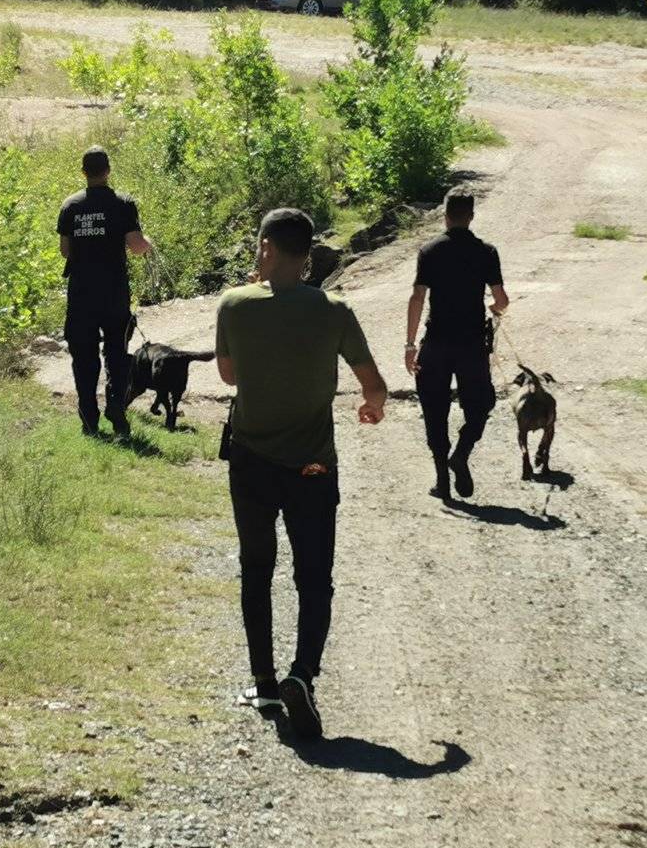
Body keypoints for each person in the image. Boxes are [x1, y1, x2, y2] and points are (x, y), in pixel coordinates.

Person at [216, 208, 388, 743]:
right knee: (314, 578)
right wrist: (372, 407)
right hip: (313, 465)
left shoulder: (235, 304)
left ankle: (264, 681)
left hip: (251, 459)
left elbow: (229, 375)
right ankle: (302, 675)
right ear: (308, 254)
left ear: (266, 248)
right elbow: (374, 386)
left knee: (257, 568)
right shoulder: (335, 310)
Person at [405, 189, 510, 499]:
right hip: (472, 344)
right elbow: (501, 300)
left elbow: (417, 297)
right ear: (471, 216)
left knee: (434, 408)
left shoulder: (429, 251)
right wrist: (494, 310)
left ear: (445, 215)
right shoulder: (487, 252)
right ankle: (462, 452)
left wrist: (410, 344)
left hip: (436, 342)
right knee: (481, 405)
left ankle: (442, 482)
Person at [57, 146, 153, 437]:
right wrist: (147, 242)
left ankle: (89, 419)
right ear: (108, 171)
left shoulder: (70, 205)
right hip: (113, 292)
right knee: (116, 352)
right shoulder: (122, 203)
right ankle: (117, 411)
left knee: (84, 357)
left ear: (83, 172)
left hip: (82, 293)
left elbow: (65, 251)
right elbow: (137, 247)